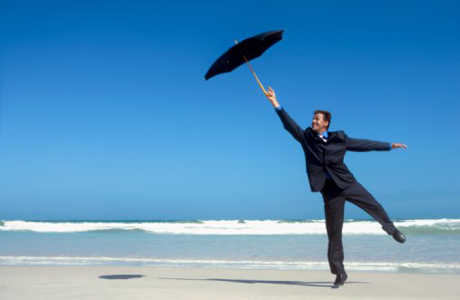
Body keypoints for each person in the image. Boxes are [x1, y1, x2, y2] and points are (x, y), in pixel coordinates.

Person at [265, 87, 407, 288]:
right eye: (313, 119)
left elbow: (362, 144)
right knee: (334, 232)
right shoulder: (306, 138)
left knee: (373, 205)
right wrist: (275, 103)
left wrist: (389, 145)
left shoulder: (339, 139)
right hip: (329, 190)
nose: (313, 121)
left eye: (317, 119)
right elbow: (289, 125)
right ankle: (339, 272)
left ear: (326, 123)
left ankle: (392, 230)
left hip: (347, 183)